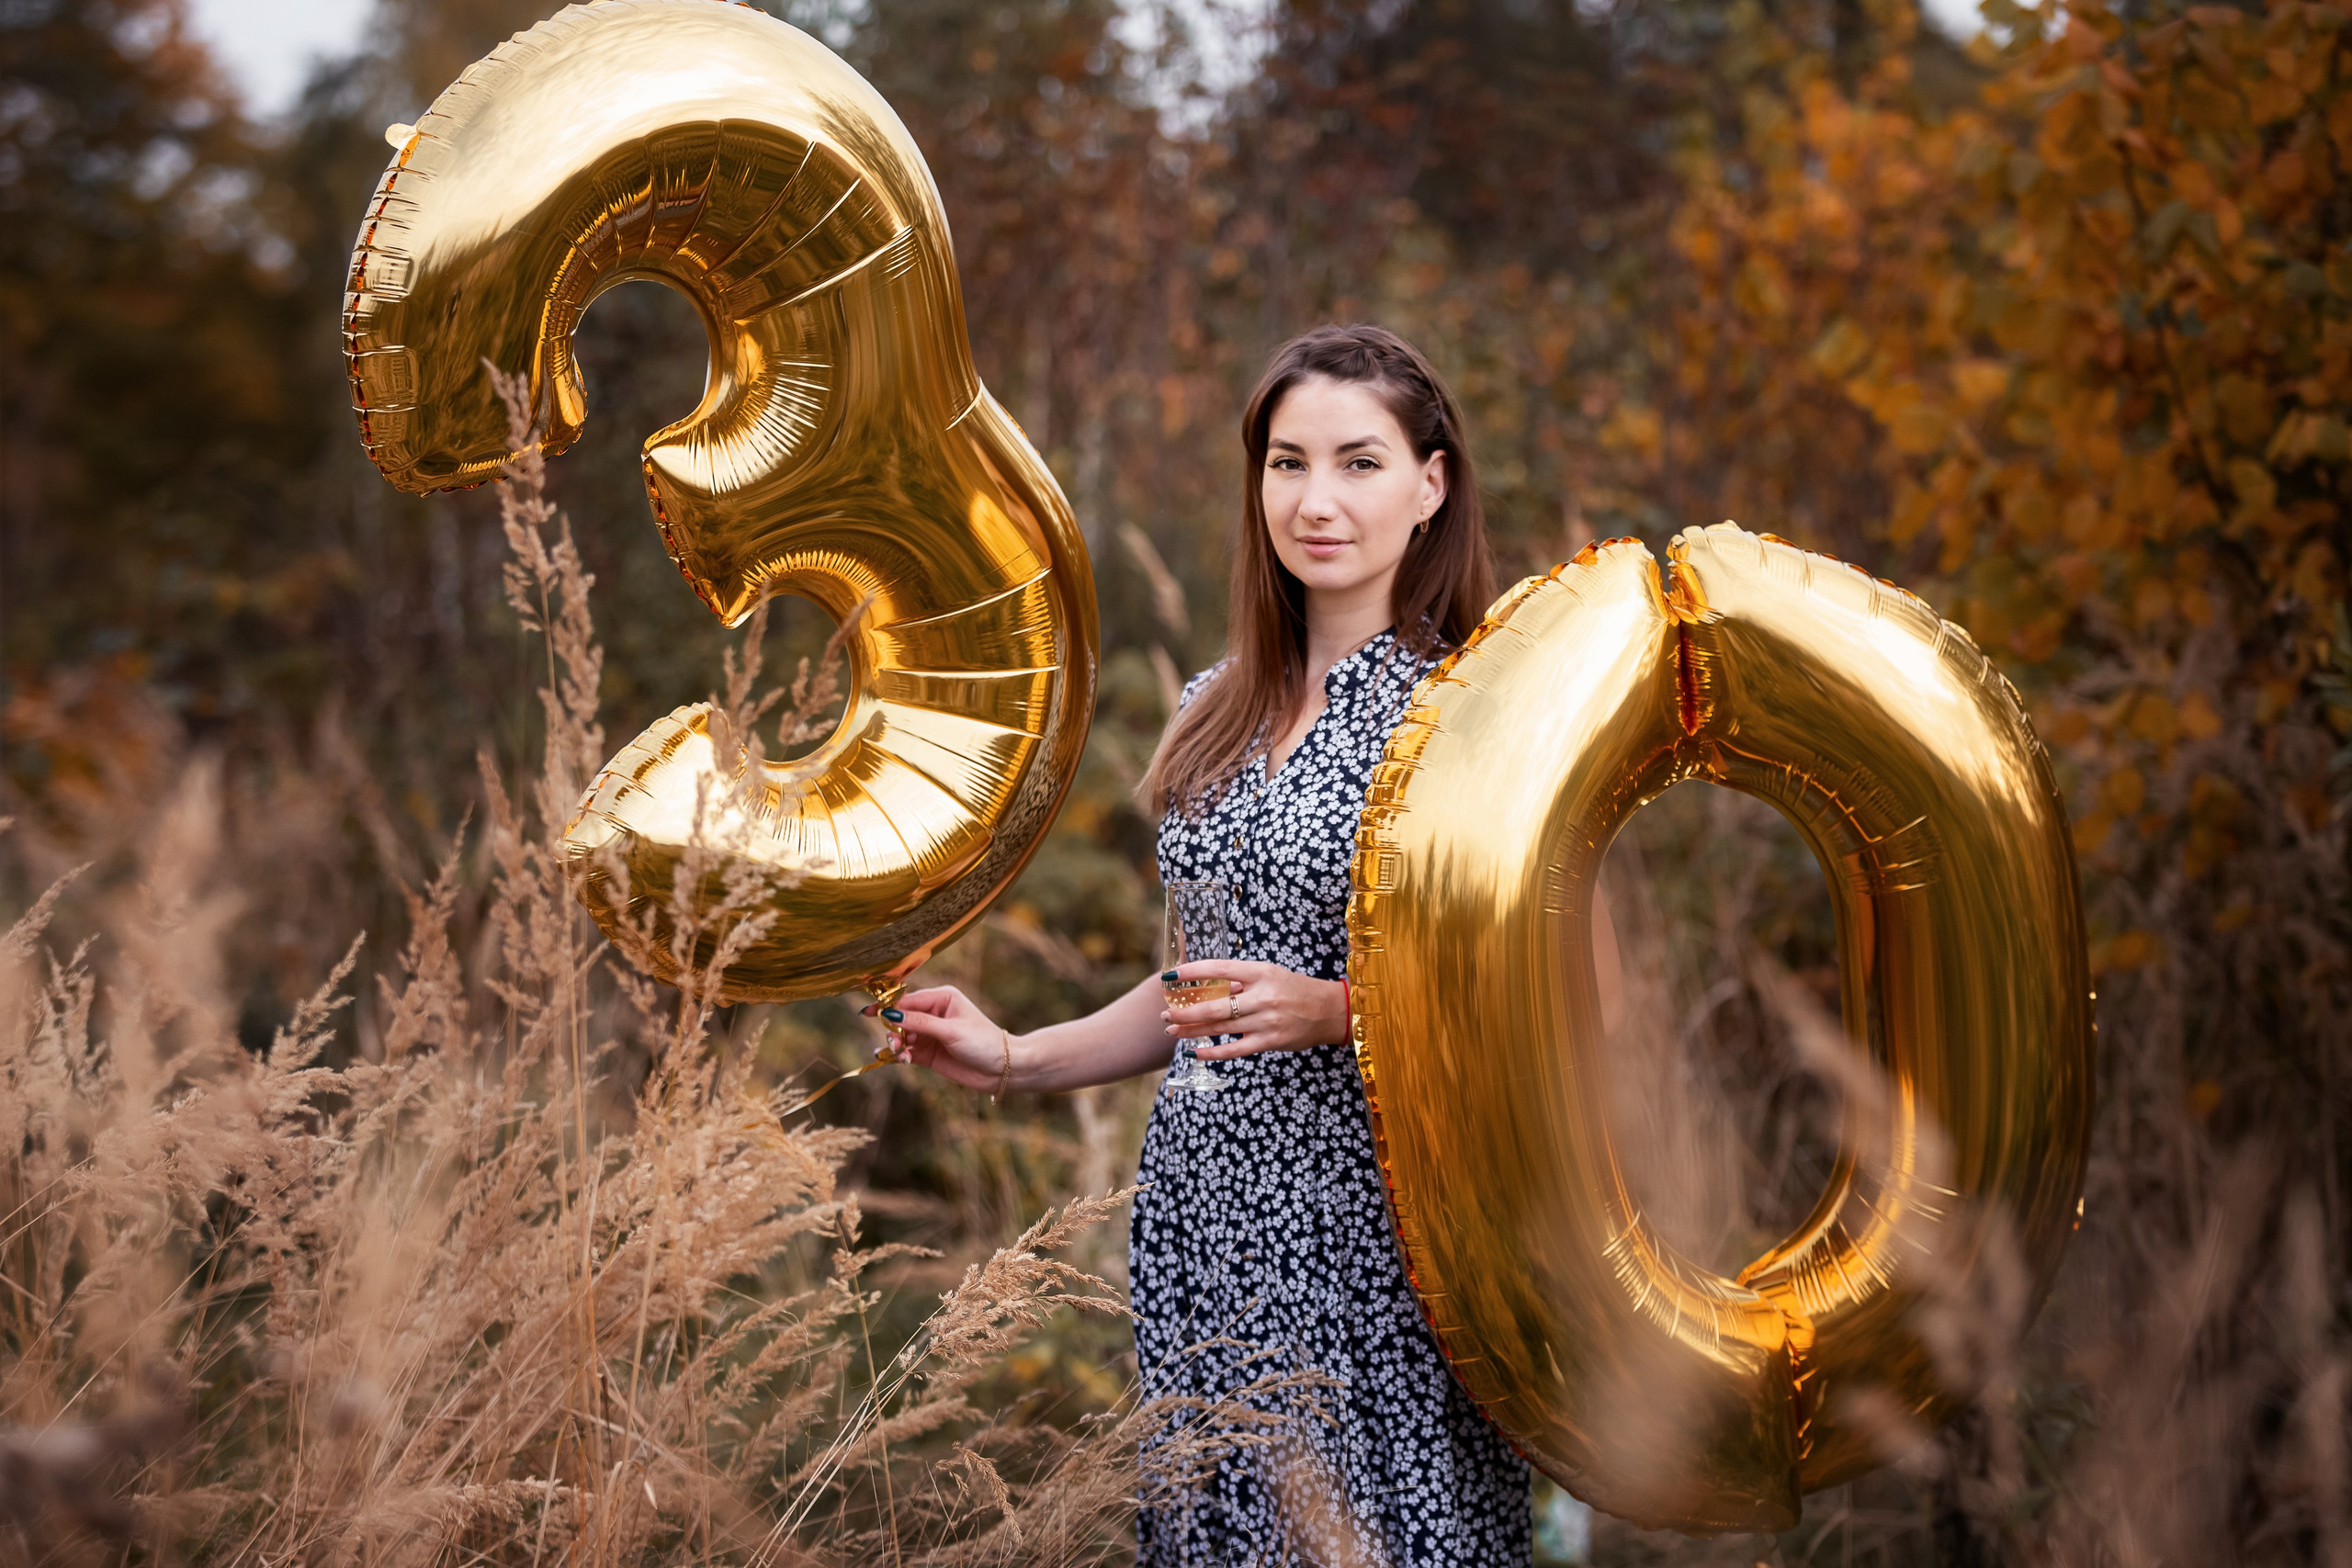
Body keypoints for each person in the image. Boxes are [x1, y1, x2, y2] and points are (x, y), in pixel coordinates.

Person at [874, 324, 1532, 1565]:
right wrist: (1013, 1055)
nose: (1316, 501)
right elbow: (1201, 982)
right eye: (1288, 464)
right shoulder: (1213, 707)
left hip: (1375, 1236)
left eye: (1359, 463)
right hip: (1205, 1217)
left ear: (1431, 484)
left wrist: (1343, 1011)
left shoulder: (1473, 716)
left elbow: (1554, 999)